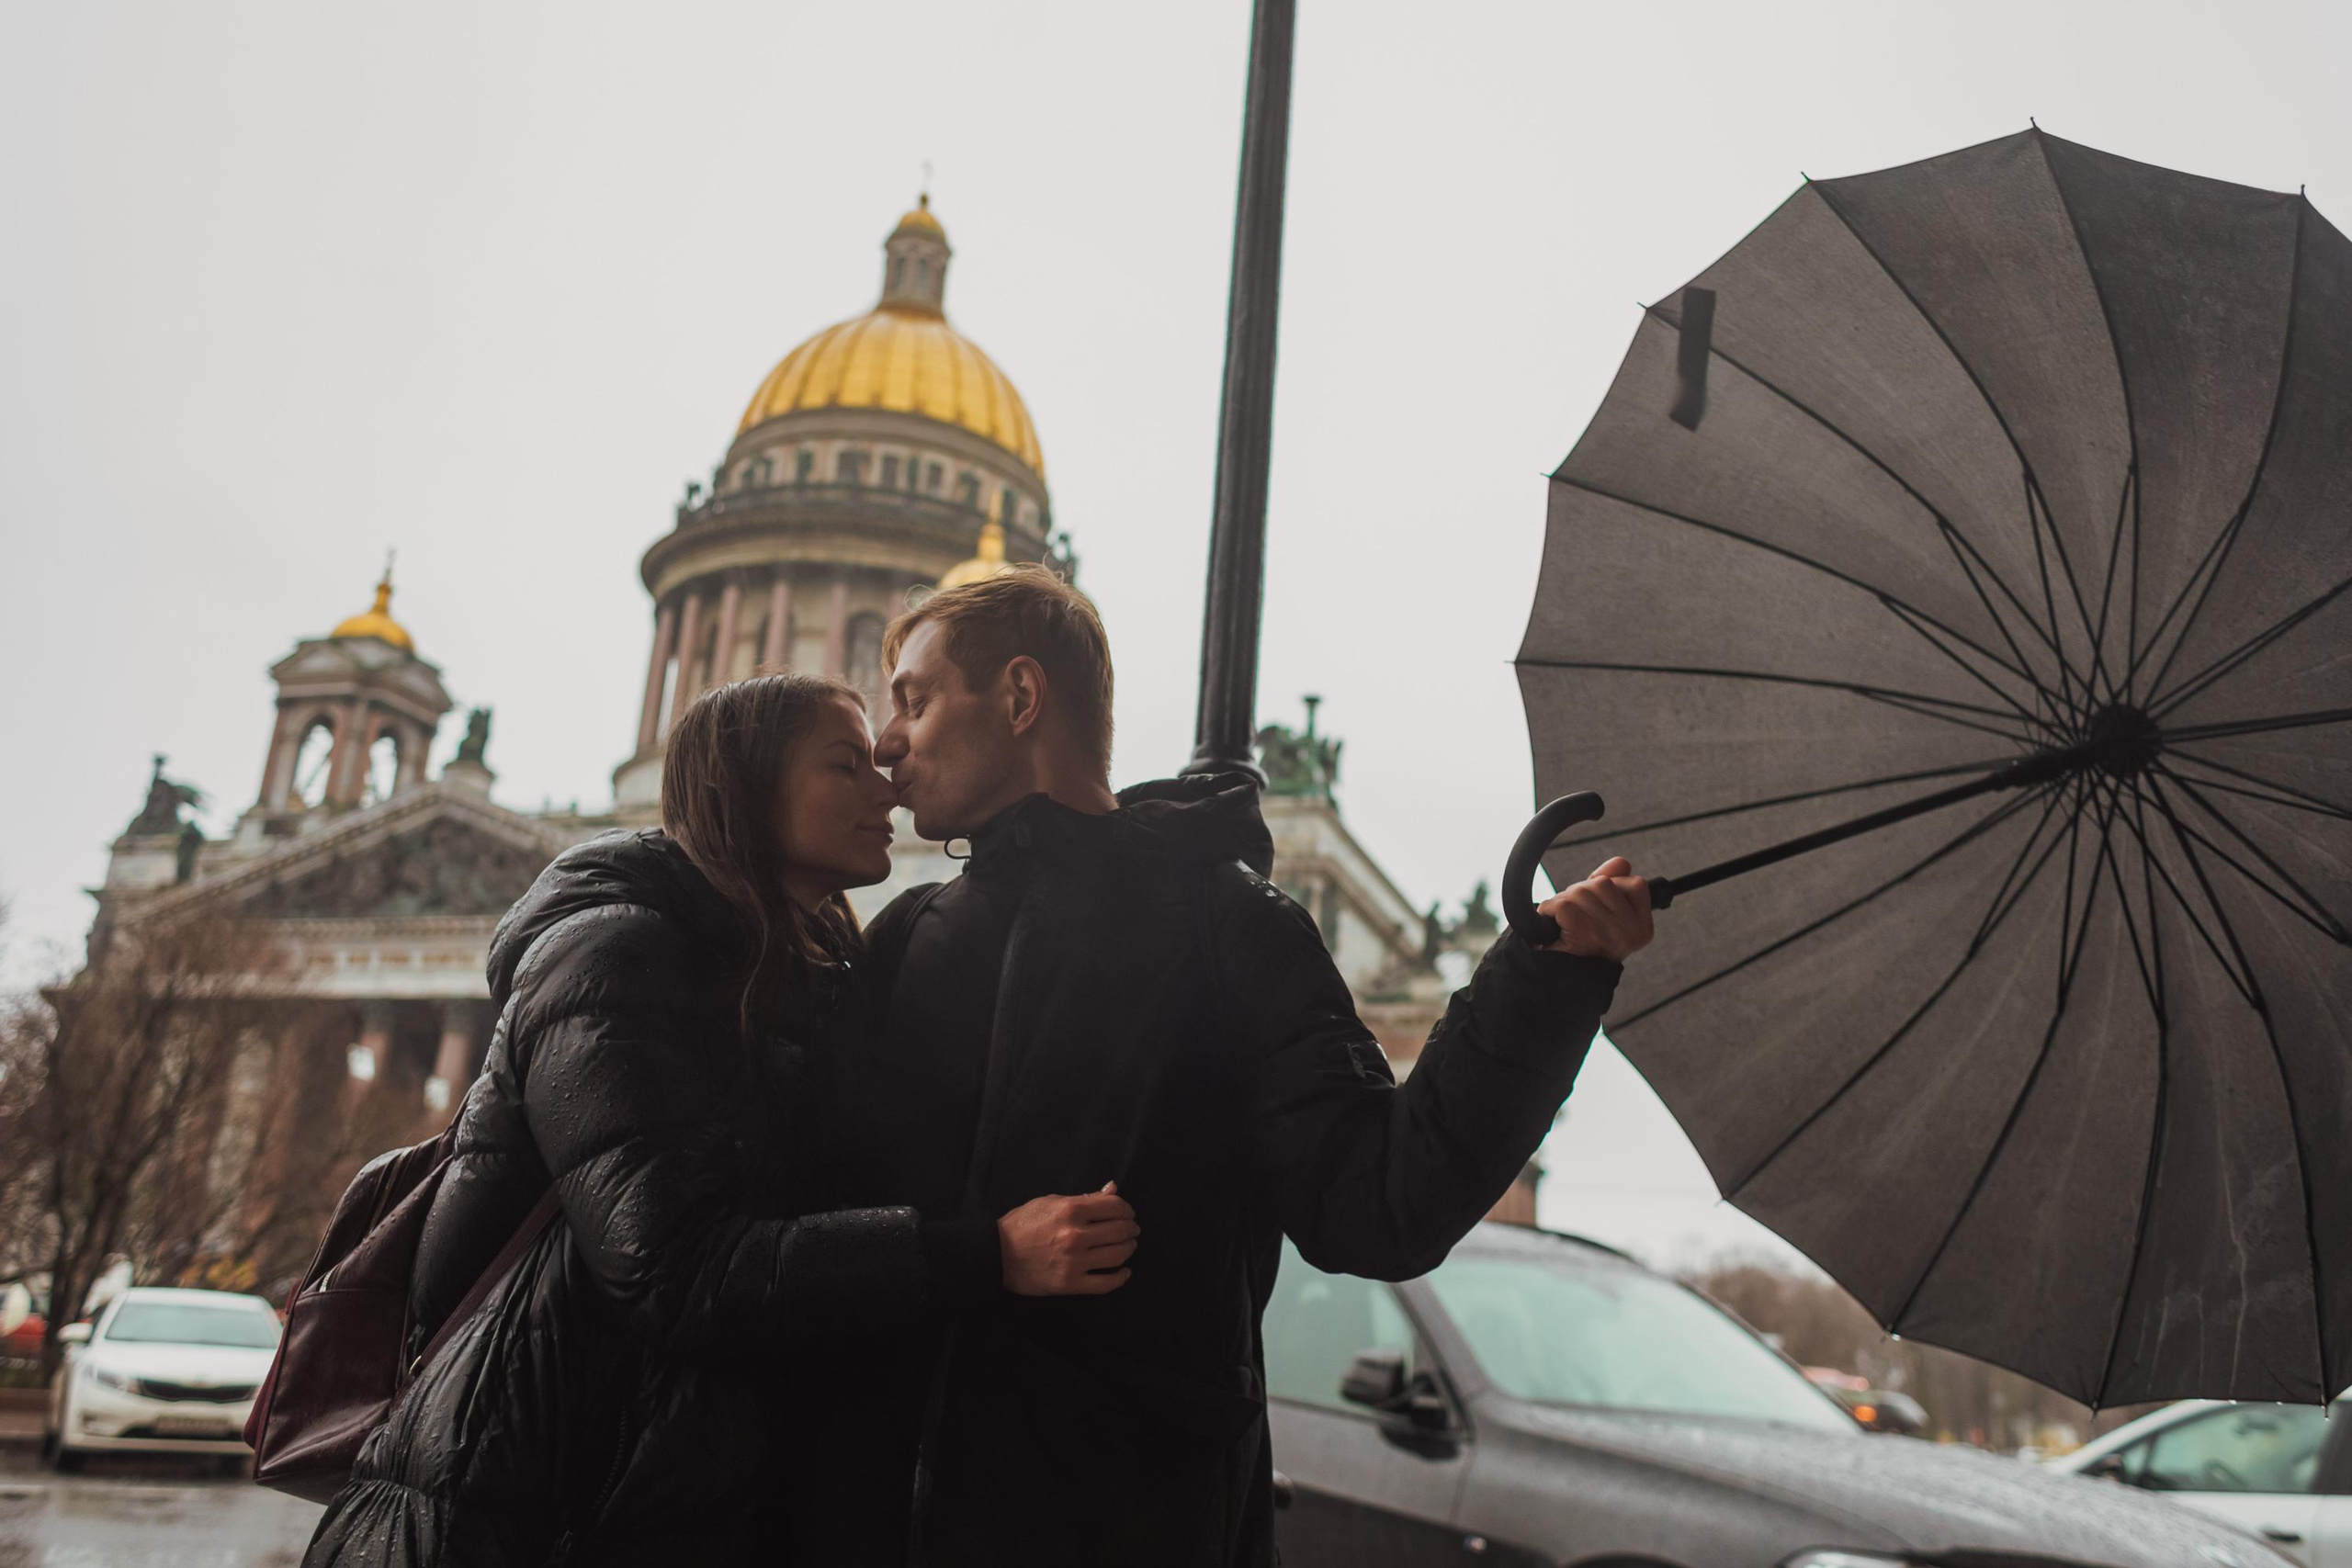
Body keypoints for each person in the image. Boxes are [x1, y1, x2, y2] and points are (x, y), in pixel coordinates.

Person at [829, 568, 1652, 1566]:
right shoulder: (907, 934)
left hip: (1125, 1526)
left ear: (1017, 697)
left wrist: (1541, 986)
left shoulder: (1227, 926)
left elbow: (1379, 1205)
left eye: (913, 699)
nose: (885, 741)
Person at [301, 673, 1139, 1568]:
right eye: (843, 765)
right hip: (529, 1504)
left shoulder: (807, 978)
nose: (885, 782)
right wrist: (987, 1254)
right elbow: (673, 1266)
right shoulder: (614, 955)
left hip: (667, 1498)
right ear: (746, 785)